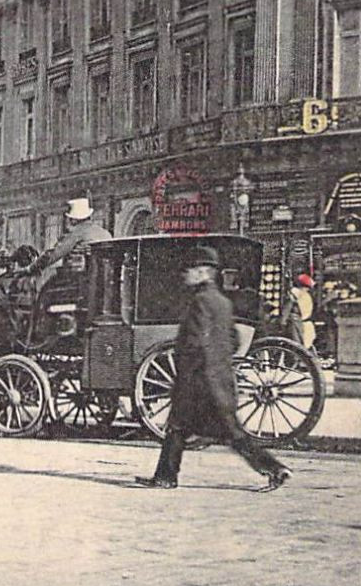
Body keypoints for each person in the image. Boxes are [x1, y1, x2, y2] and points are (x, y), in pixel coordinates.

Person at [136, 246, 291, 491]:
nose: (185, 274)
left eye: (190, 270)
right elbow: (234, 340)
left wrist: (186, 372)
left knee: (203, 430)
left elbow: (194, 343)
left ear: (203, 272)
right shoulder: (223, 302)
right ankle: (165, 476)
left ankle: (274, 468)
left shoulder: (198, 301)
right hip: (219, 380)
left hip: (198, 382)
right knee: (193, 429)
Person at [35, 197, 113, 292]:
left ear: (74, 220)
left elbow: (54, 255)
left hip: (80, 281)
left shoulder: (75, 233)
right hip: (105, 282)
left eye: (70, 218)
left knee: (46, 291)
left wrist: (31, 268)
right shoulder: (105, 233)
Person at [278, 273, 316, 351]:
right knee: (302, 345)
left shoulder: (295, 293)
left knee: (296, 344)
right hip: (304, 322)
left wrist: (283, 321)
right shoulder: (306, 295)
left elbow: (288, 307)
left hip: (296, 321)